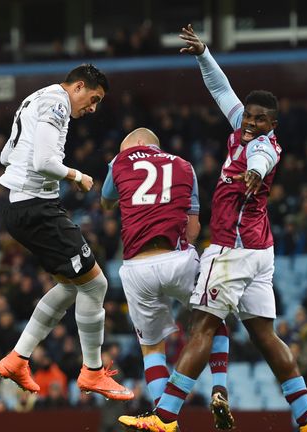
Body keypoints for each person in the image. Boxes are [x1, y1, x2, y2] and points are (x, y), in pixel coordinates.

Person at [118, 25, 307, 432]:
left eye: (260, 119)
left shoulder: (263, 145)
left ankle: (164, 418)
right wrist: (204, 54)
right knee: (266, 337)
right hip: (259, 251)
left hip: (231, 252)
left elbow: (262, 158)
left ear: (274, 123)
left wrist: (254, 170)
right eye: (249, 115)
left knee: (201, 327)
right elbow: (221, 90)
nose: (250, 122)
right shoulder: (241, 128)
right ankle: (306, 415)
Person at [0, 64, 132, 401]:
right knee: (97, 284)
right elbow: (42, 160)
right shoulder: (57, 102)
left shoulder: (35, 98)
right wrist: (76, 175)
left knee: (72, 286)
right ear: (79, 86)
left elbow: (6, 154)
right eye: (94, 98)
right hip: (35, 207)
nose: (93, 107)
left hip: (22, 206)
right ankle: (94, 372)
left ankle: (17, 358)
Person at [100, 127, 234, 429]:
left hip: (136, 267)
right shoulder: (184, 166)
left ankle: (164, 419)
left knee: (152, 347)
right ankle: (220, 387)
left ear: (133, 145)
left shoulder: (119, 162)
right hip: (177, 259)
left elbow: (106, 201)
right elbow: (193, 228)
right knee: (213, 319)